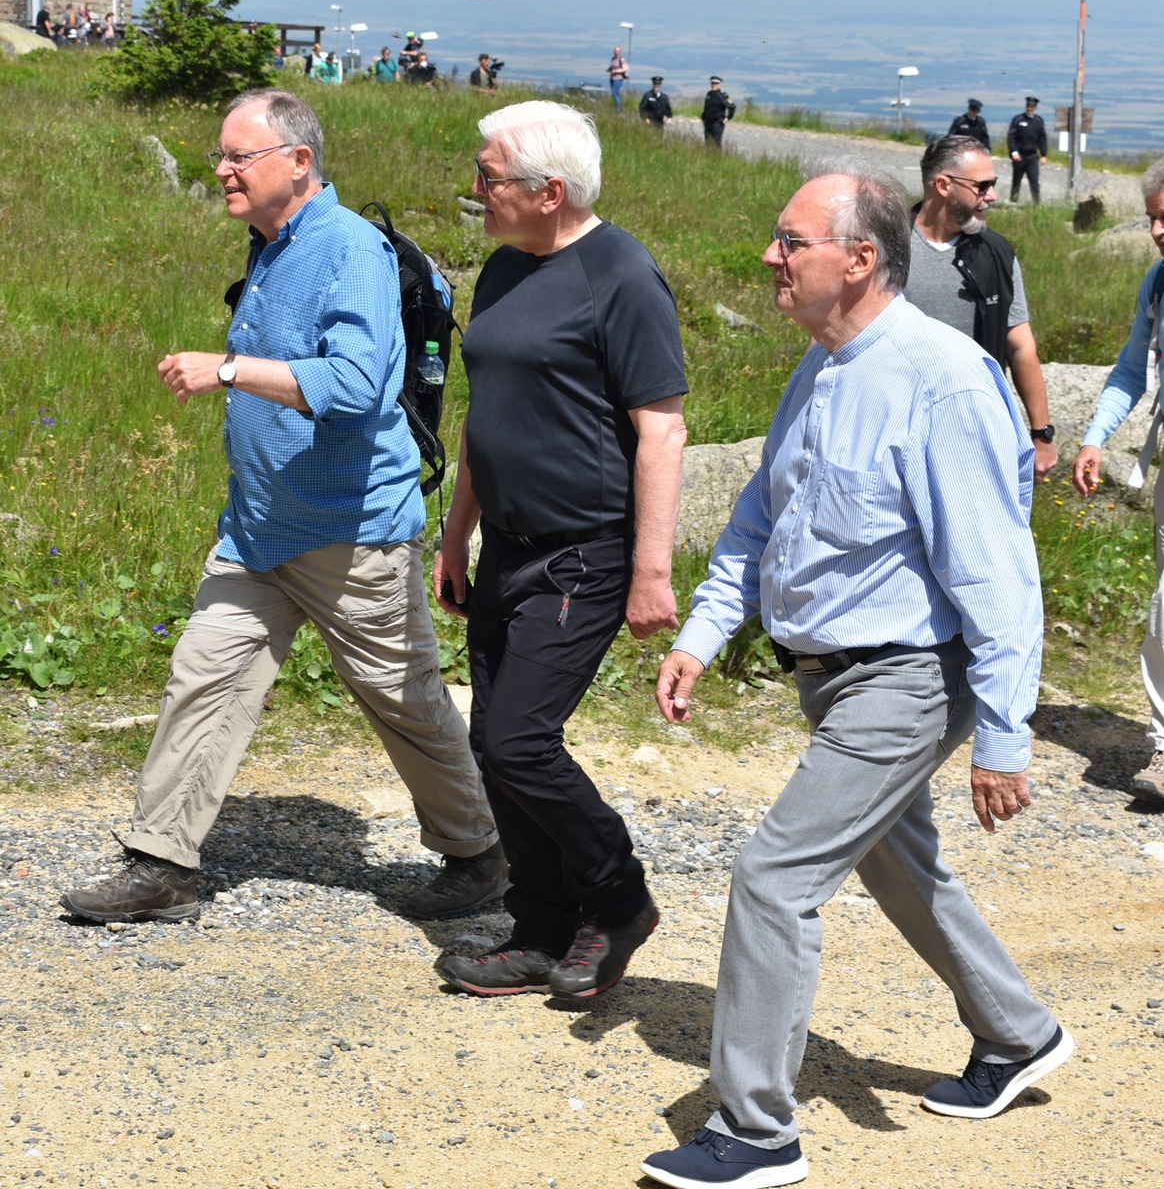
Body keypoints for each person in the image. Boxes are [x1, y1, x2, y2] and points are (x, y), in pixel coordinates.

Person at [643, 163, 1072, 1189]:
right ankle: (1017, 1033)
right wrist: (703, 633)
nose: (769, 256)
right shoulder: (822, 363)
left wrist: (1004, 737)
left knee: (776, 875)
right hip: (829, 676)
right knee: (893, 860)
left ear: (861, 259)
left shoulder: (942, 379)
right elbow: (760, 521)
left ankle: (755, 1133)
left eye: (792, 241)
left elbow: (999, 577)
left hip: (909, 677)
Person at [59, 88, 506, 928]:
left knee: (404, 698)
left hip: (352, 533)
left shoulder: (350, 251)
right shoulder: (270, 244)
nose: (222, 170)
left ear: (298, 162)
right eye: (220, 156)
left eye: (240, 156)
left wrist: (226, 371)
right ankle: (161, 863)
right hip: (259, 527)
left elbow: (355, 382)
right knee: (205, 676)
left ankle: (479, 854)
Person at [434, 101, 688, 1001]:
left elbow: (660, 430)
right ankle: (539, 930)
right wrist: (456, 531)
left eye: (489, 177)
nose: (475, 191)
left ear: (547, 192)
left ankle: (618, 901)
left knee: (521, 741)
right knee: (491, 741)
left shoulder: (620, 275)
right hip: (504, 543)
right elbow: (484, 413)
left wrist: (651, 572)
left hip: (584, 552)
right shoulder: (503, 269)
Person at [1073, 156, 1164, 802]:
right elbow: (1132, 367)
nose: (1158, 230)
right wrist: (1095, 435)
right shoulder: (1157, 283)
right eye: (1154, 217)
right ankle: (1163, 745)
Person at [904, 135, 1058, 483]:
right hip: (895, 427)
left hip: (976, 432)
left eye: (994, 184)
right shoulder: (888, 246)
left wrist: (1041, 433)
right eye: (983, 186)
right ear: (943, 185)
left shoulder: (997, 254)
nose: (992, 196)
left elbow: (1020, 346)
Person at [1007, 95, 1047, 203]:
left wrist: (1043, 155)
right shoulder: (1018, 119)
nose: (1030, 108)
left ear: (1035, 107)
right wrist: (1014, 152)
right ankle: (1013, 201)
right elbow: (1011, 137)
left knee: (1034, 181)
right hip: (1020, 156)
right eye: (1028, 105)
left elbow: (1042, 138)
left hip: (1032, 156)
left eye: (1032, 106)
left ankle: (1036, 203)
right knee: (1017, 180)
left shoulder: (1038, 121)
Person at [702, 76, 735, 148]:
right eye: (712, 83)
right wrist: (703, 118)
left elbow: (732, 106)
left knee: (716, 143)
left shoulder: (723, 95)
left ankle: (717, 157)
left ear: (720, 85)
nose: (714, 85)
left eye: (716, 83)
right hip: (708, 122)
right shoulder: (709, 94)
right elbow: (706, 108)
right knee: (708, 143)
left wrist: (728, 117)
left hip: (717, 123)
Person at [607, 45, 629, 112]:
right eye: (615, 51)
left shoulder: (621, 59)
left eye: (617, 51)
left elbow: (624, 68)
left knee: (614, 93)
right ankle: (616, 107)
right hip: (612, 78)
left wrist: (616, 71)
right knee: (615, 93)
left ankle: (618, 109)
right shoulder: (613, 59)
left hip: (618, 78)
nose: (616, 52)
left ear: (620, 52)